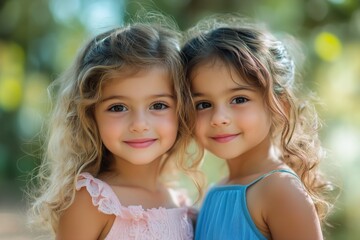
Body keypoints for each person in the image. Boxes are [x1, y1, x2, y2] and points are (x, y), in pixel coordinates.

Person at [28, 20, 202, 240]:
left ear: (182, 110)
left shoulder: (182, 203)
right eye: (117, 107)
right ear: (90, 115)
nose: (139, 124)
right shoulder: (92, 202)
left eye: (158, 105)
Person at [181, 16, 333, 240]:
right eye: (203, 104)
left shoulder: (281, 191)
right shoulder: (214, 191)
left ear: (278, 105)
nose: (219, 118)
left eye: (239, 99)